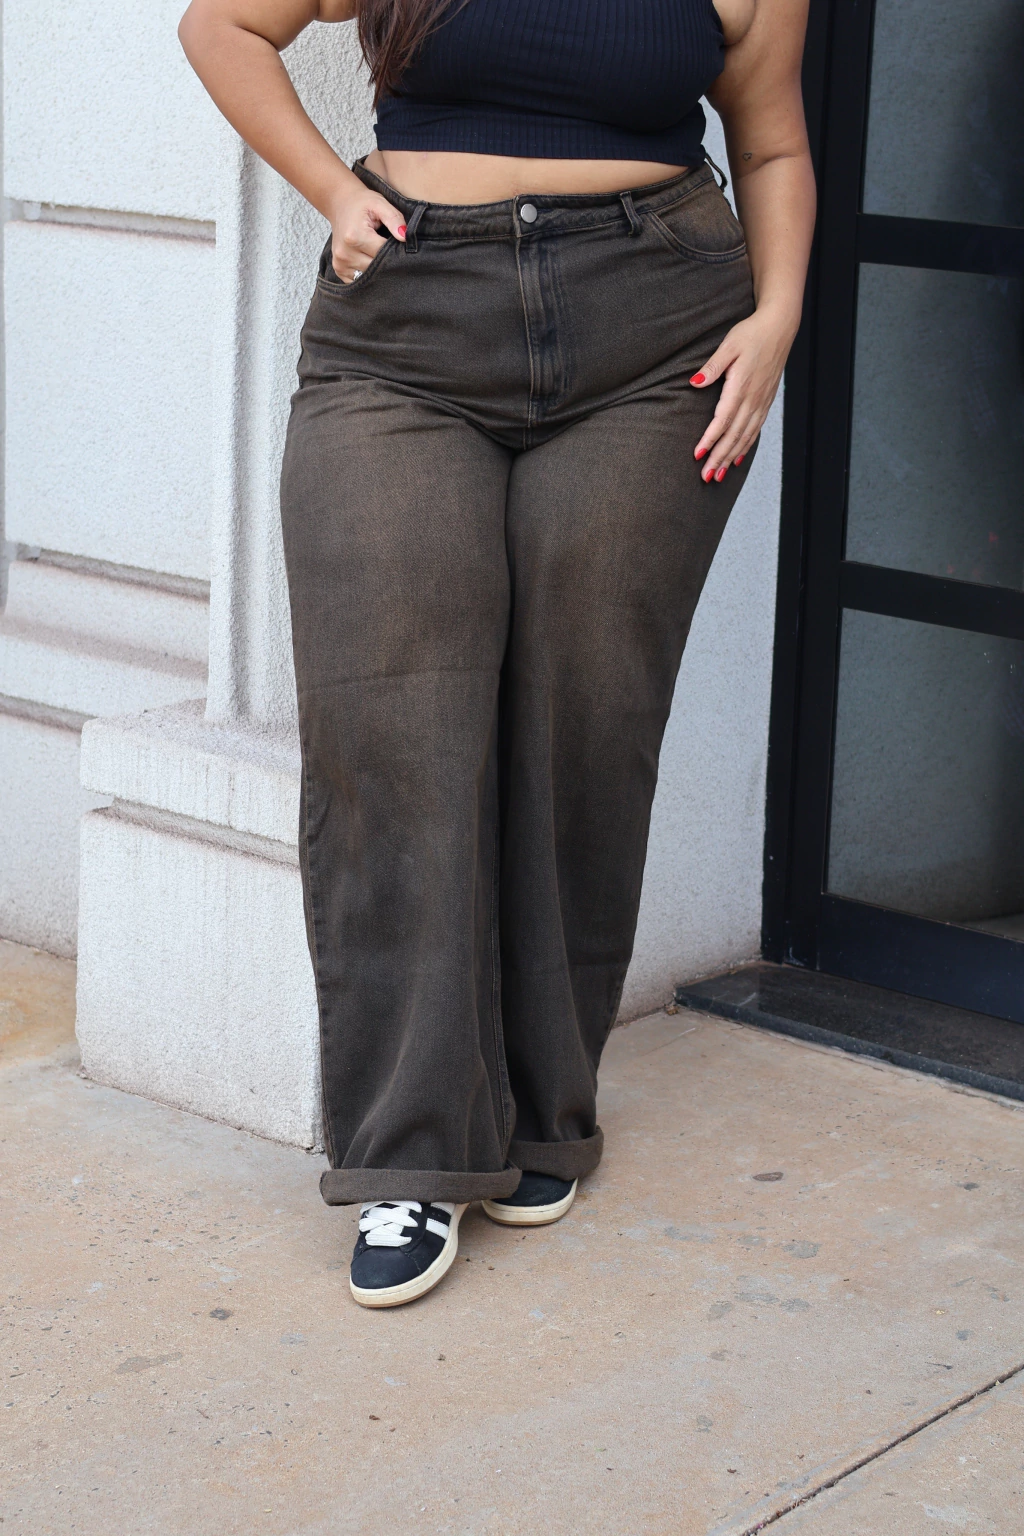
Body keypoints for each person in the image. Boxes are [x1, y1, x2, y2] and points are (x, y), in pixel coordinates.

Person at [179, 0, 814, 1308]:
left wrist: (780, 316)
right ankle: (411, 1154)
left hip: (657, 337)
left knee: (584, 727)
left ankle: (541, 1113)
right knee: (392, 737)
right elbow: (222, 26)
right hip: (407, 332)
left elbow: (771, 144)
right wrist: (332, 193)